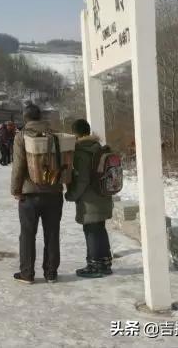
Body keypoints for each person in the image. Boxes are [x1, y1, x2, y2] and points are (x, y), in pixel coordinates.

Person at [11, 104, 64, 283]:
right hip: (54, 192)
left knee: (27, 234)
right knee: (52, 233)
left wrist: (15, 190)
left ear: (25, 118)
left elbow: (18, 166)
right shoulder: (54, 134)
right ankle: (51, 273)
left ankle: (27, 274)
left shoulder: (21, 136)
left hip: (30, 194)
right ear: (40, 117)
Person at [65, 119, 113, 278]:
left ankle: (94, 265)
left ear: (74, 134)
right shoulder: (98, 147)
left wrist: (71, 195)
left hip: (90, 200)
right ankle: (105, 263)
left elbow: (82, 180)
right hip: (103, 195)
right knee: (100, 228)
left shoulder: (81, 152)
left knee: (91, 230)